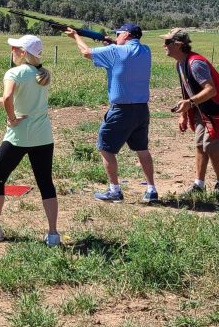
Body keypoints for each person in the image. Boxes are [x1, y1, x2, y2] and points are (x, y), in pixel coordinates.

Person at [0, 34, 61, 246]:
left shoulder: (14, 73)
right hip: (43, 136)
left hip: (18, 136)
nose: (11, 51)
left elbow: (9, 98)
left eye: (15, 48)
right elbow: (10, 99)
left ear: (23, 53)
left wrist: (11, 118)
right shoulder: (42, 75)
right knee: (46, 183)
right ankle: (53, 233)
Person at [65, 24, 159, 203]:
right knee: (142, 149)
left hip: (121, 110)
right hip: (141, 109)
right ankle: (151, 189)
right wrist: (112, 43)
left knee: (105, 148)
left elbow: (86, 52)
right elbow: (124, 53)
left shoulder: (116, 51)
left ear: (126, 34)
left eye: (118, 34)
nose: (116, 36)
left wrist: (75, 36)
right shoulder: (145, 50)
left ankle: (114, 190)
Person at [162, 28, 219, 195]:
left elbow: (211, 90)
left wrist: (190, 102)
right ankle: (199, 185)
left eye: (167, 42)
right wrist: (184, 114)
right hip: (201, 110)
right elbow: (187, 90)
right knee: (200, 146)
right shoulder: (180, 63)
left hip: (214, 110)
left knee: (211, 148)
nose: (164, 45)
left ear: (178, 45)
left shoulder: (195, 63)